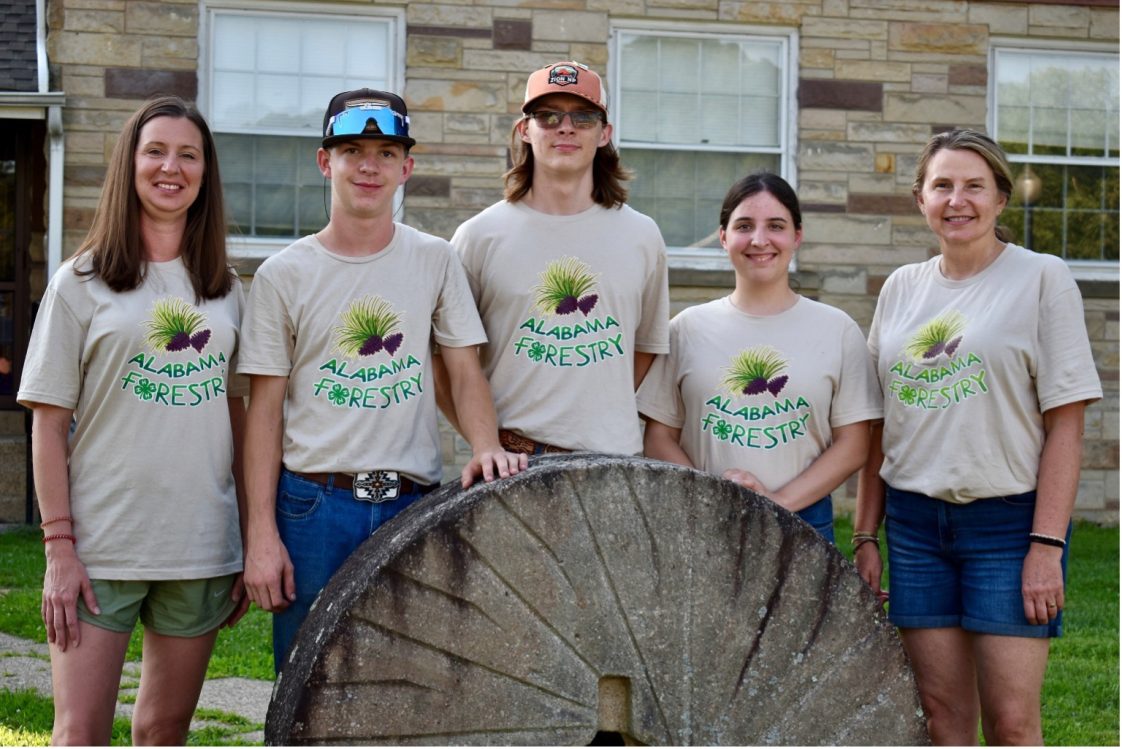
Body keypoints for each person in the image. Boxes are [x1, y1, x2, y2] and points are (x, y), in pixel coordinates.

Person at [239, 88, 526, 673]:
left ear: (406, 168)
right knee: (308, 684)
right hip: (314, 506)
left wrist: (486, 445)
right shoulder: (282, 275)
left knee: (410, 683)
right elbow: (264, 413)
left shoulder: (434, 259)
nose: (369, 166)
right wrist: (261, 533)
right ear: (326, 162)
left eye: (386, 152)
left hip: (410, 502)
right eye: (351, 150)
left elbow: (463, 368)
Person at [854, 129, 1102, 745]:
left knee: (1014, 724)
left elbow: (1066, 424)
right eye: (942, 185)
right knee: (941, 721)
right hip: (913, 528)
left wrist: (1046, 546)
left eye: (973, 186)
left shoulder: (1041, 278)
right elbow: (880, 426)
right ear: (921, 199)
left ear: (1000, 199)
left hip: (1009, 527)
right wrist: (866, 533)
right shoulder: (901, 289)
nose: (956, 200)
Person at [18, 95, 249, 745]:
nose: (171, 167)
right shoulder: (82, 282)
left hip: (201, 545)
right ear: (130, 163)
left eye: (188, 154)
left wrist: (248, 533)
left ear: (205, 173)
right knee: (80, 733)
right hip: (101, 546)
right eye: (156, 150)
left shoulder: (225, 289)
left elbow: (235, 414)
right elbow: (47, 422)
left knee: (163, 731)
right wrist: (59, 549)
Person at [440, 61, 669, 455]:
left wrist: (594, 414)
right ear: (524, 130)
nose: (566, 127)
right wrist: (487, 444)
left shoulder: (642, 235)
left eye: (583, 116)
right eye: (547, 116)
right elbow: (445, 361)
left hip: (613, 461)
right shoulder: (479, 237)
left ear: (604, 134)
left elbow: (645, 346)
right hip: (515, 461)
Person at [638, 172, 880, 542]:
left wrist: (776, 502)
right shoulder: (686, 328)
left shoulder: (837, 329)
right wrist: (712, 498)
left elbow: (853, 445)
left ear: (797, 236)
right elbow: (658, 437)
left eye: (776, 226)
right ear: (723, 237)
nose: (759, 240)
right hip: (700, 518)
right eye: (744, 226)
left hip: (804, 522)